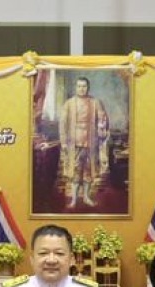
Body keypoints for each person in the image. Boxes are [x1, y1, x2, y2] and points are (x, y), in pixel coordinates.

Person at [58, 76, 110, 208]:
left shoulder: (96, 102)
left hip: (91, 142)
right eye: (79, 86)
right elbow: (62, 124)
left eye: (84, 86)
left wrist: (102, 133)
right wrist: (64, 142)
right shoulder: (69, 103)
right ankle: (74, 199)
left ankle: (86, 197)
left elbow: (103, 120)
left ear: (88, 87)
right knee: (75, 171)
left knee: (88, 171)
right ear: (76, 87)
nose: (82, 89)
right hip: (73, 143)